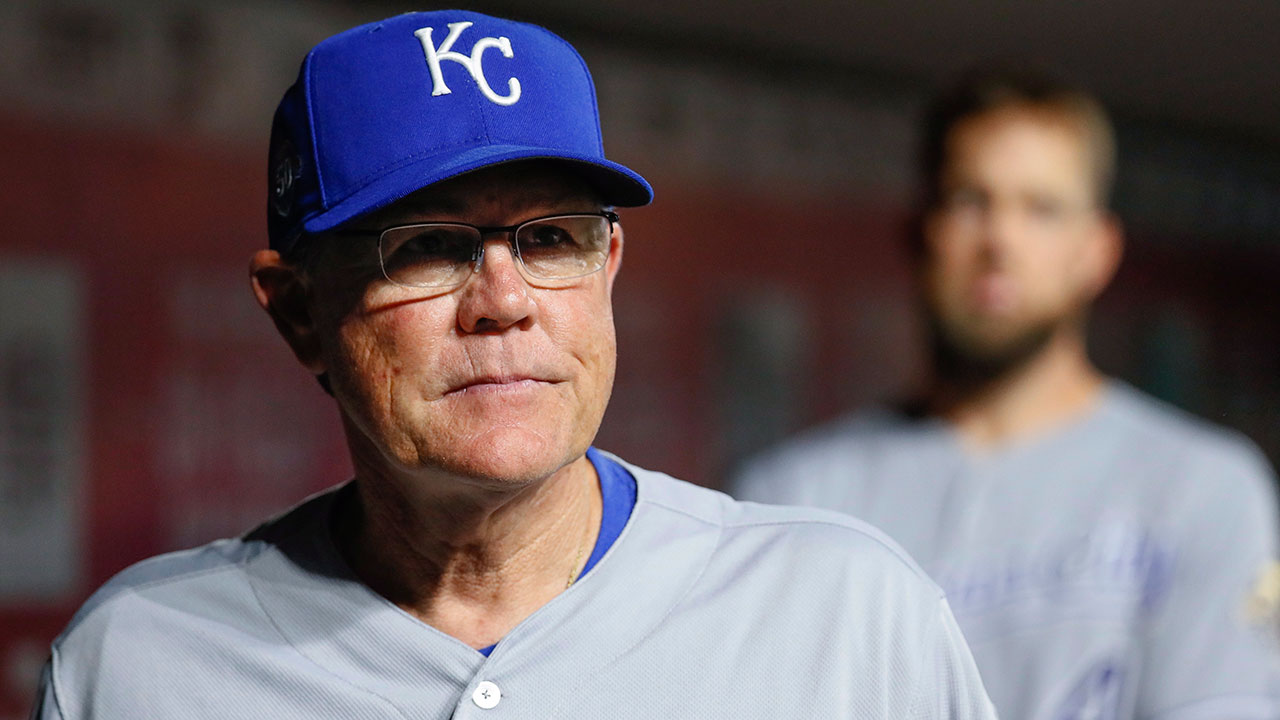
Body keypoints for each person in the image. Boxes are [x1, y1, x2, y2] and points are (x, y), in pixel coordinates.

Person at [31, 11, 996, 719]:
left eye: (552, 238)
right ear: (299, 314)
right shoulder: (141, 664)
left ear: (608, 268)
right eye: (426, 248)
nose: (503, 300)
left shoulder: (844, 613)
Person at [731, 68, 1280, 719]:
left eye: (1041, 208)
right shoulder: (791, 498)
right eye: (970, 200)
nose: (1000, 240)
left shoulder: (1204, 488)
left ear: (1097, 251)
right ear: (918, 230)